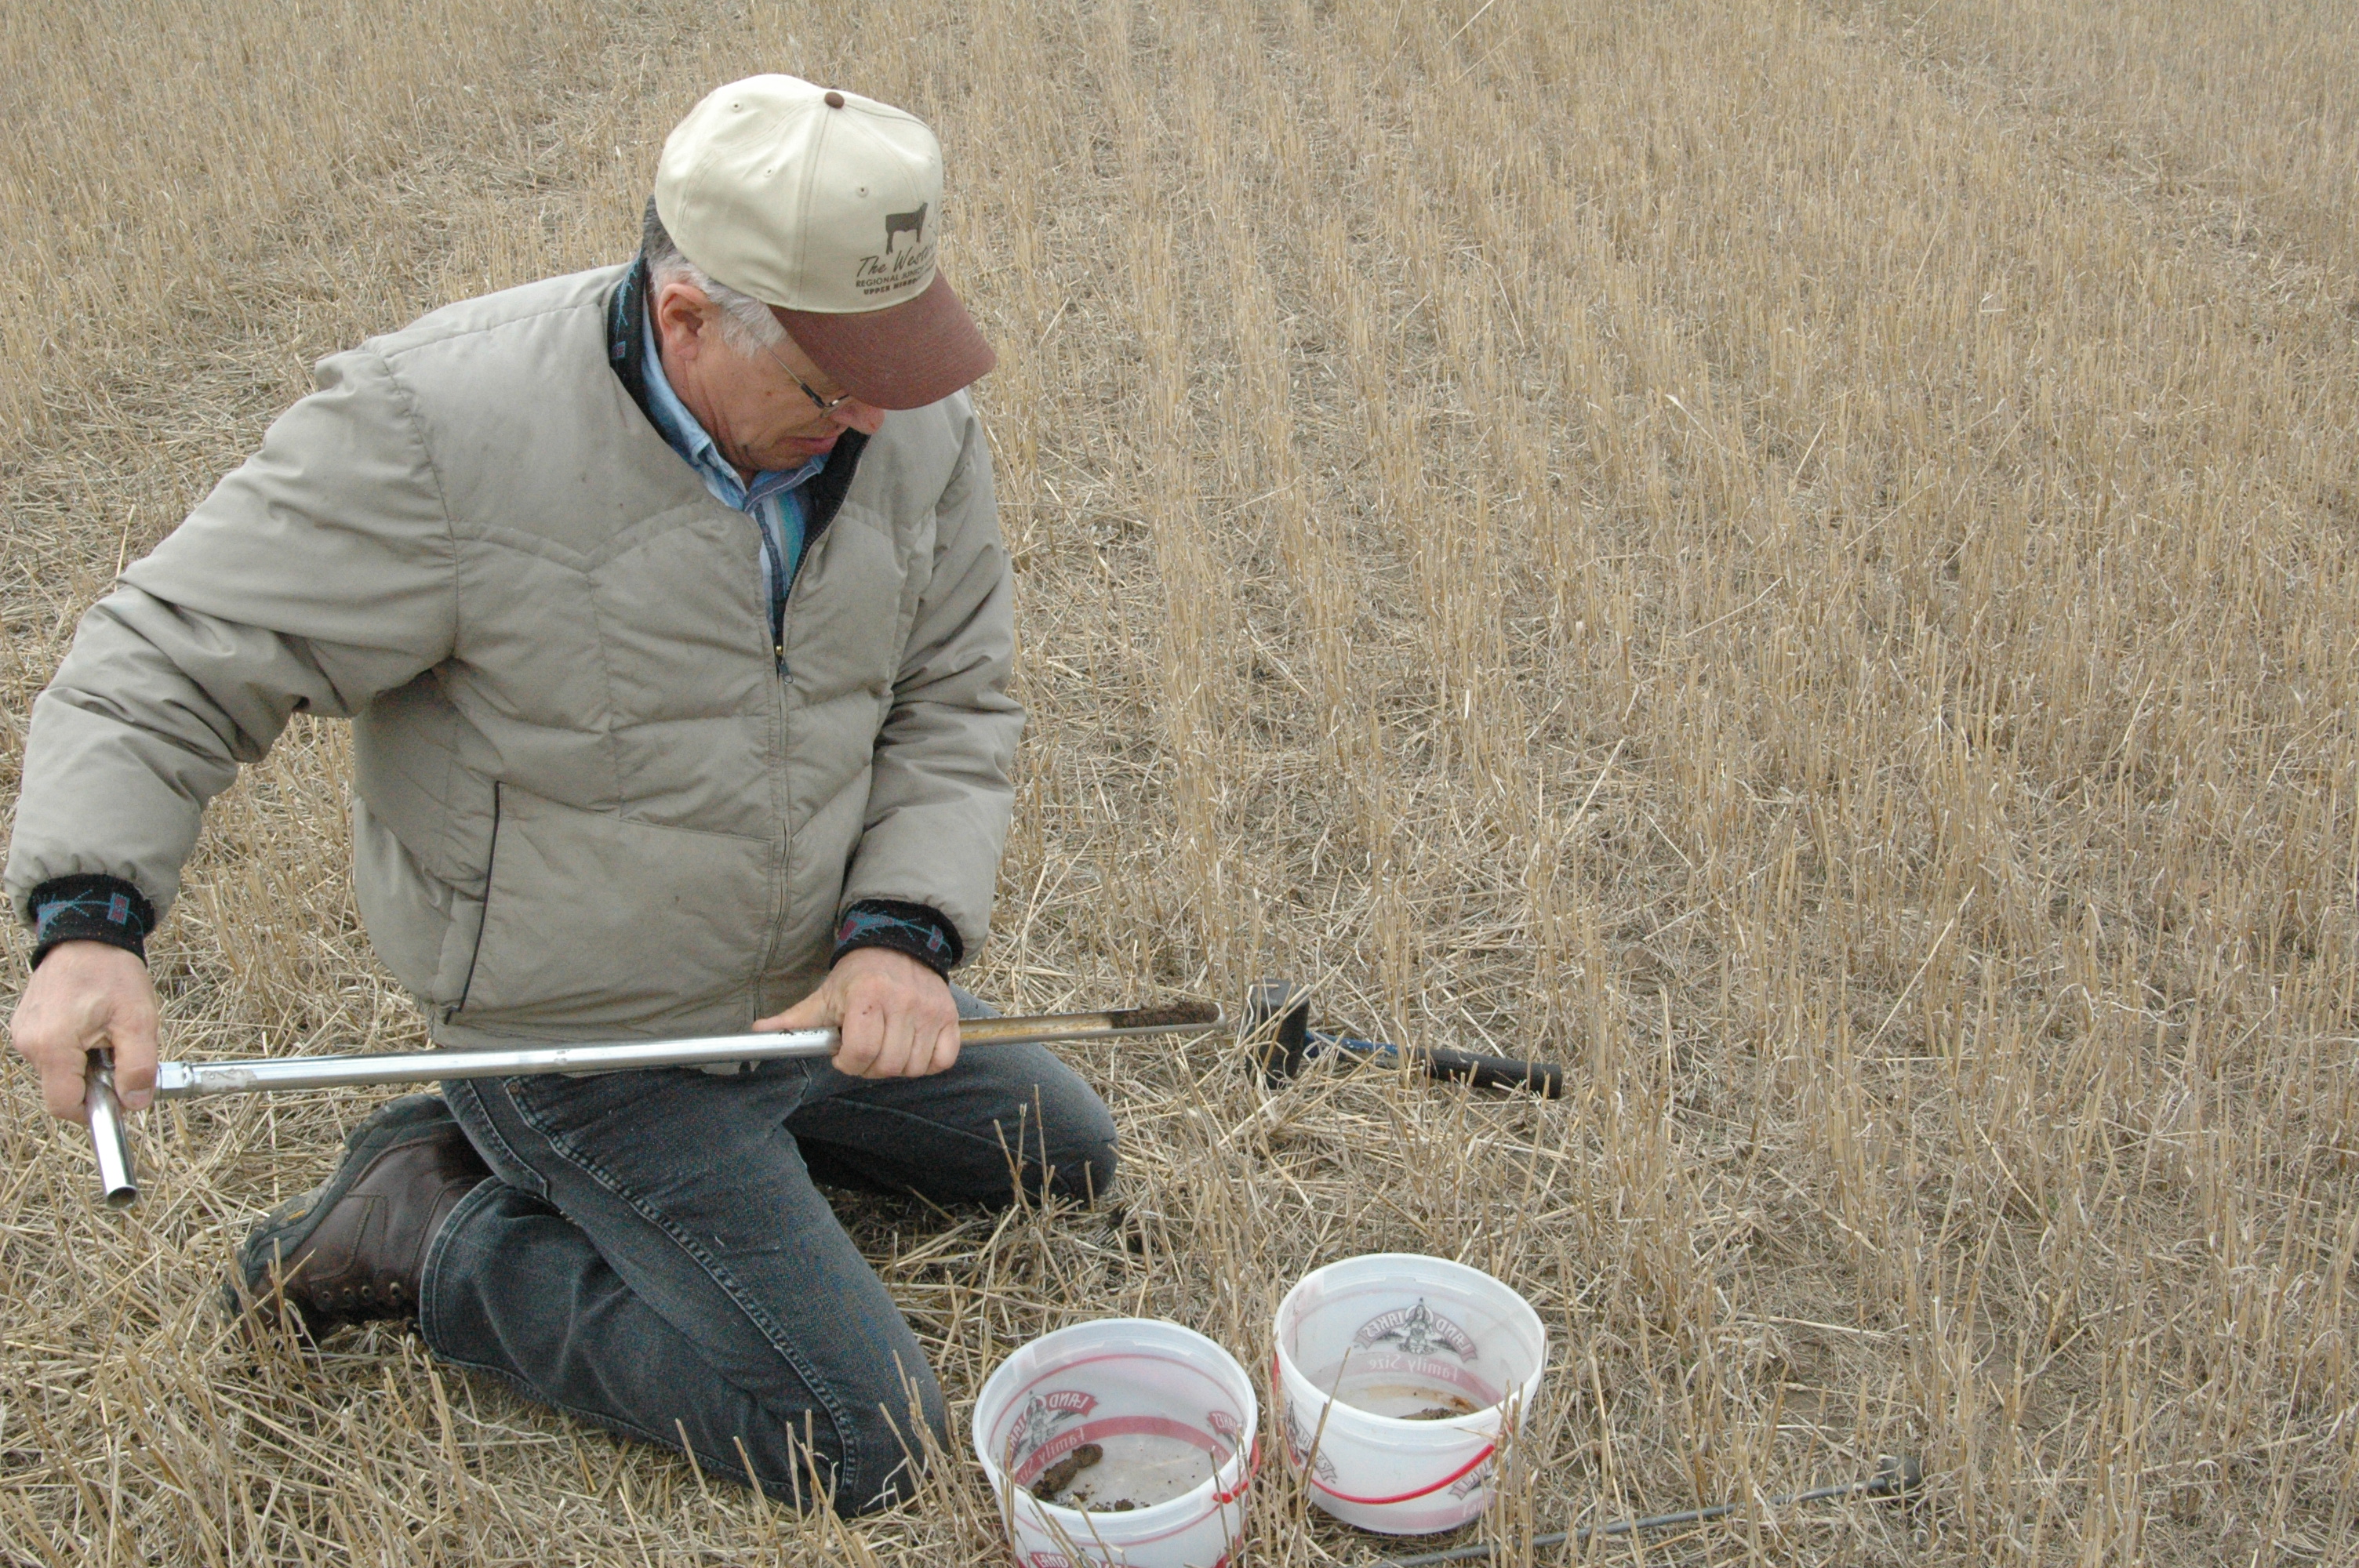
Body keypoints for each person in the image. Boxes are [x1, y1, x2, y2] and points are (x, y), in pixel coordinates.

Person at [5, 75, 1116, 1515]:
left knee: (1065, 1156)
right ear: (688, 318)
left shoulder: (905, 421)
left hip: (792, 1002)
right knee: (866, 1446)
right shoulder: (436, 430)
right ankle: (443, 1230)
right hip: (576, 1038)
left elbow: (955, 695)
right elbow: (167, 652)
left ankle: (635, 1153)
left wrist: (898, 935)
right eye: (829, 386)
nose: (867, 422)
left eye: (890, 372)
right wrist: (89, 923)